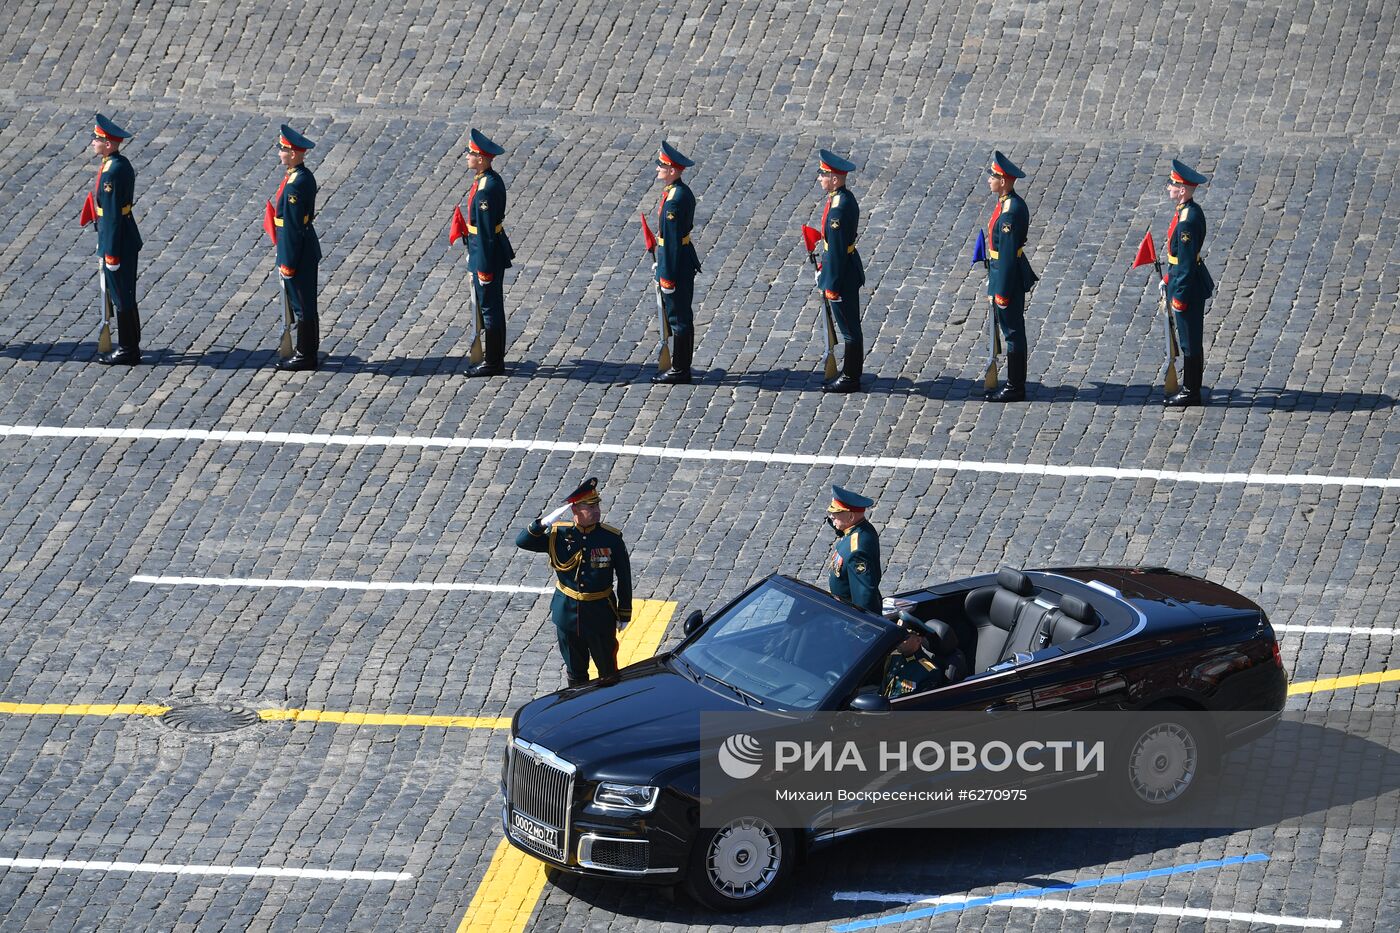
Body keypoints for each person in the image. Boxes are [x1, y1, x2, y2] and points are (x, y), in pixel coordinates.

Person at [516, 477, 633, 687]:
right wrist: (543, 523)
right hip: (567, 613)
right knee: (575, 673)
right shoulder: (559, 535)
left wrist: (624, 612)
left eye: (597, 505)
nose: (596, 511)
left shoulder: (611, 538)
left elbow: (624, 577)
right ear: (575, 510)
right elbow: (522, 541)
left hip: (600, 613)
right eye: (590, 507)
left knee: (608, 671)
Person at [84, 113, 143, 365]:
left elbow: (112, 216)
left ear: (108, 144)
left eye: (97, 139)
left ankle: (128, 349)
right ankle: (131, 345)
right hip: (121, 237)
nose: (93, 142)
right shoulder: (115, 164)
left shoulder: (112, 172)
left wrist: (110, 252)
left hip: (118, 242)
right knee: (124, 294)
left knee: (122, 295)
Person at [984, 150, 1038, 402]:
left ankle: (1015, 386)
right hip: (1000, 272)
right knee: (1010, 329)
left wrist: (1001, 292)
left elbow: (1006, 255)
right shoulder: (1007, 203)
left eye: (993, 176)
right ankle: (1014, 383)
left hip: (1007, 277)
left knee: (1013, 332)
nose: (989, 180)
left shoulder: (1010, 212)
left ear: (1003, 181)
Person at [461, 129, 515, 377]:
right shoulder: (488, 179)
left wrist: (482, 267)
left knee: (490, 308)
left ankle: (493, 362)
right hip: (484, 248)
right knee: (492, 306)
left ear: (481, 158)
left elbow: (484, 232)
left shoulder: (485, 189)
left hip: (486, 255)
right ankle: (495, 359)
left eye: (471, 153)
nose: (467, 156)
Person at [1161, 159, 1215, 407]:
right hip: (1182, 280)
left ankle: (1191, 391)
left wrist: (1179, 296)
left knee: (1189, 340)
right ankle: (1191, 387)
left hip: (1188, 288)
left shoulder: (1186, 222)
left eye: (1172, 184)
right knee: (1188, 338)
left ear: (1182, 190)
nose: (1169, 187)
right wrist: (1168, 277)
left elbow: (1186, 263)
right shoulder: (1189, 211)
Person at [815, 149, 867, 393]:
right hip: (845, 267)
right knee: (850, 326)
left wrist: (832, 284)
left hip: (842, 275)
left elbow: (836, 250)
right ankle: (851, 374)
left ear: (835, 179)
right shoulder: (842, 198)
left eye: (823, 174)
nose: (820, 178)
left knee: (849, 329)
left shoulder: (838, 210)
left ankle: (850, 377)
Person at [271, 125, 322, 371]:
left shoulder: (294, 184)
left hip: (297, 252)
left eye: (282, 149)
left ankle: (305, 355)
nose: (279, 153)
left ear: (293, 153)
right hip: (302, 246)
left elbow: (292, 227)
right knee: (304, 303)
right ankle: (307, 351)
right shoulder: (300, 176)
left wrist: (288, 262)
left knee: (302, 305)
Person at [651, 141, 701, 385]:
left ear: (672, 170)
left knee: (678, 317)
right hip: (681, 258)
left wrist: (667, 276)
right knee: (682, 315)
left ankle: (680, 369)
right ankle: (682, 366)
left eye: (662, 165)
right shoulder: (679, 192)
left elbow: (671, 242)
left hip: (676, 264)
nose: (658, 168)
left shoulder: (673, 201)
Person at [826, 484, 882, 613]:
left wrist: (861, 622)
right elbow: (842, 529)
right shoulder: (858, 527)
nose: (831, 516)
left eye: (836, 513)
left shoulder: (857, 552)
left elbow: (864, 596)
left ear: (851, 517)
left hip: (847, 613)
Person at [881, 615, 945, 699]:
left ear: (918, 640)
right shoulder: (893, 658)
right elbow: (882, 691)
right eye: (898, 634)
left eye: (905, 637)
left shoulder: (928, 672)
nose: (898, 639)